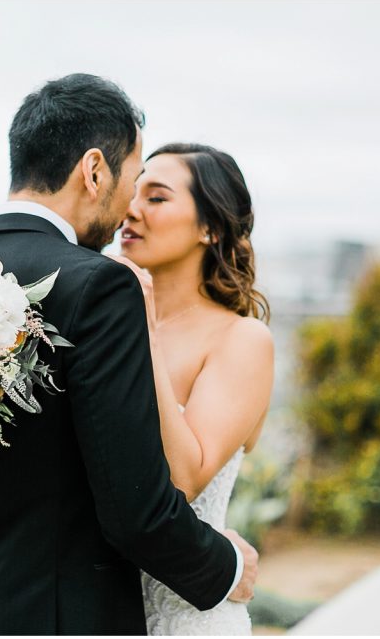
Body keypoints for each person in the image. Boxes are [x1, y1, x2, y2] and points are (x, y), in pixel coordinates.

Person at [0, 74, 259, 634]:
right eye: (132, 182)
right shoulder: (99, 286)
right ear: (94, 171)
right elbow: (135, 513)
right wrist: (226, 566)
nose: (128, 211)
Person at [116, 143, 274, 635]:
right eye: (133, 191)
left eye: (157, 198)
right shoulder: (102, 328)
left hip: (188, 617)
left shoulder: (242, 340)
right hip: (98, 609)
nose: (131, 209)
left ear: (210, 227)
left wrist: (144, 334)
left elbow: (182, 483)